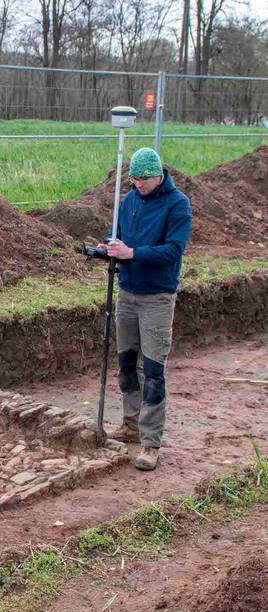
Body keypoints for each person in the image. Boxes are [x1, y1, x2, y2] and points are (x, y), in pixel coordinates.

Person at [104, 147, 192, 471]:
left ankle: (151, 442)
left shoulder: (177, 205)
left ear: (158, 175)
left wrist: (132, 253)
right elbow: (121, 239)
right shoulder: (128, 201)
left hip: (157, 297)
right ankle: (130, 424)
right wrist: (109, 248)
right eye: (134, 179)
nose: (137, 184)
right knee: (127, 363)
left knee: (153, 371)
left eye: (142, 180)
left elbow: (172, 251)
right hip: (127, 292)